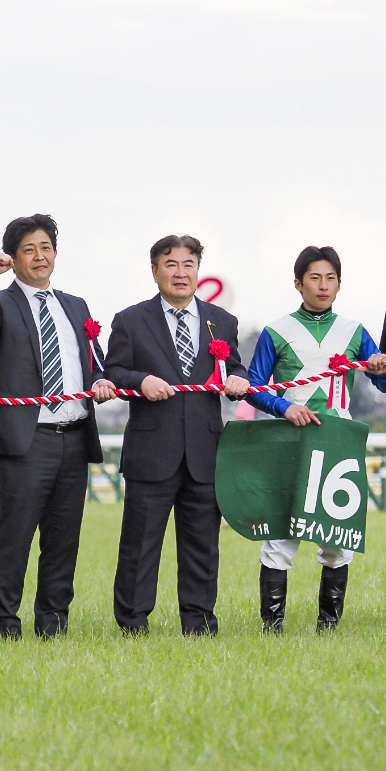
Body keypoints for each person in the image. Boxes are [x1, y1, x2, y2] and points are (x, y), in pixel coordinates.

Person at [0, 214, 115, 639]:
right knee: (16, 536)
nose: (39, 256)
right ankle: (2, 624)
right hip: (27, 441)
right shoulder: (2, 304)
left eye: (45, 247)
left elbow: (92, 358)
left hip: (75, 436)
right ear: (13, 257)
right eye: (28, 249)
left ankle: (53, 623)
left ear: (56, 254)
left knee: (64, 540)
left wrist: (101, 378)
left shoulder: (75, 305)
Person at [244, 245, 386, 632]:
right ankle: (271, 628)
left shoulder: (354, 331)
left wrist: (380, 369)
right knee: (281, 538)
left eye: (330, 278)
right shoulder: (276, 331)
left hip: (337, 444)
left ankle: (329, 626)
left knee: (335, 540)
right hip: (289, 444)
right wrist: (283, 407)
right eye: (314, 277)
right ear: (298, 283)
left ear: (340, 284)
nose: (323, 285)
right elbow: (253, 387)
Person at [104, 234, 249, 636]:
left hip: (205, 451)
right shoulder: (130, 321)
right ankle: (132, 623)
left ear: (198, 271)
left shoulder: (222, 321)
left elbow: (234, 368)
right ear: (155, 272)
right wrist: (141, 379)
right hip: (152, 450)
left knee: (203, 545)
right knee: (140, 544)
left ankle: (199, 623)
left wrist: (237, 379)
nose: (180, 273)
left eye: (188, 265)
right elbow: (112, 372)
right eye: (170, 265)